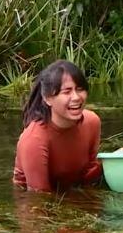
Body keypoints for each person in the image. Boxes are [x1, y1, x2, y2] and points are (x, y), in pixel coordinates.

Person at [13, 60, 102, 193]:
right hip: (33, 199)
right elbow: (40, 197)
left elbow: (90, 176)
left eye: (80, 89)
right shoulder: (33, 139)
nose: (76, 97)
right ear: (48, 98)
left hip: (72, 192)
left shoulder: (92, 122)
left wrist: (118, 161)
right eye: (67, 92)